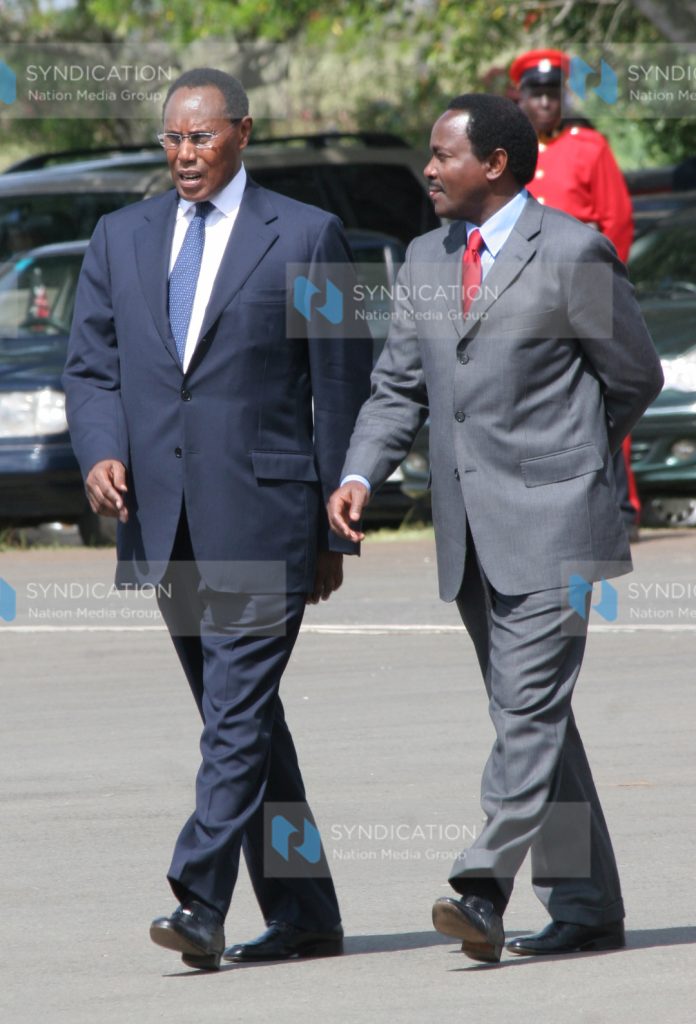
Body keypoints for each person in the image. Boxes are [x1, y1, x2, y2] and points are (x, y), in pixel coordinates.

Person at [328, 94, 663, 963]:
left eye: (442, 156)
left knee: (526, 711)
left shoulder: (573, 251)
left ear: (497, 165)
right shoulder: (427, 259)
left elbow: (633, 375)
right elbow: (399, 386)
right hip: (470, 534)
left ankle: (481, 886)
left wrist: (569, 457)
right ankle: (588, 906)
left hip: (560, 524)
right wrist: (363, 471)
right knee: (536, 718)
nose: (428, 170)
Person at [63, 67, 372, 970]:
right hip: (163, 523)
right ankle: (307, 909)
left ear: (242, 134)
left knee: (234, 717)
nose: (183, 154)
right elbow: (91, 369)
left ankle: (199, 898)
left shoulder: (308, 235)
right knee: (249, 725)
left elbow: (339, 384)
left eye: (200, 137)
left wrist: (332, 527)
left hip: (267, 517)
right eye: (171, 139)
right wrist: (100, 452)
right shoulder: (120, 237)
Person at [511, 48, 642, 539]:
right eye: (534, 94)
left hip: (584, 288)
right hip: (525, 290)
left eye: (552, 94)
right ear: (519, 98)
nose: (544, 104)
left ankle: (622, 507)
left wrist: (604, 284)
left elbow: (617, 220)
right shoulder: (510, 152)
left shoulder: (589, 146)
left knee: (602, 388)